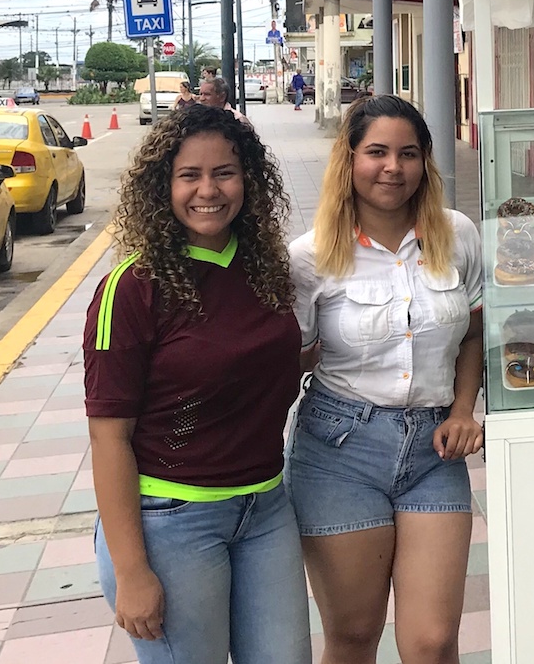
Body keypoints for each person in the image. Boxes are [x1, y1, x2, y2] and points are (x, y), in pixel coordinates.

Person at [82, 105, 311, 664]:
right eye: (190, 175)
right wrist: (133, 572)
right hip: (171, 522)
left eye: (225, 173)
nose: (208, 190)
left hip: (265, 508)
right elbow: (108, 437)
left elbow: (270, 362)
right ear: (164, 185)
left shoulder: (266, 269)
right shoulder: (131, 289)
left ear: (248, 180)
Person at [287, 94, 485, 664]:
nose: (392, 168)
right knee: (352, 635)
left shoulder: (457, 235)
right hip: (338, 451)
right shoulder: (310, 257)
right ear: (348, 160)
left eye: (407, 153)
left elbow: (472, 334)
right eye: (376, 152)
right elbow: (293, 360)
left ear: (425, 162)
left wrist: (463, 410)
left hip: (434, 452)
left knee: (432, 641)